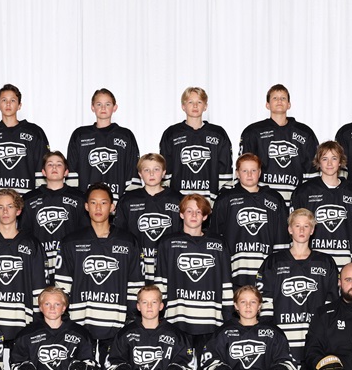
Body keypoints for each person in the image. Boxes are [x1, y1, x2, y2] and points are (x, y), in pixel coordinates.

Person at [56, 183, 145, 370]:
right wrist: (65, 322)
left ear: (112, 207)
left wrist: (130, 321)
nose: (98, 207)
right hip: (80, 324)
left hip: (115, 325)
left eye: (104, 202)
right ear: (86, 206)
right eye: (93, 202)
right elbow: (61, 287)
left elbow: (136, 286)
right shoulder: (72, 241)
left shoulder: (127, 241)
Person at [256, 208, 339, 370]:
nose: (301, 230)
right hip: (283, 346)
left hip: (314, 345)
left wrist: (326, 340)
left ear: (313, 230)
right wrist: (272, 341)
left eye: (306, 226)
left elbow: (333, 306)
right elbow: (265, 304)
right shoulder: (273, 261)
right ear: (289, 229)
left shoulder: (325, 262)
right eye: (297, 225)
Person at [153, 194, 233, 352]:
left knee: (208, 365)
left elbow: (226, 283)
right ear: (181, 214)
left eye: (199, 211)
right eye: (189, 211)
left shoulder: (218, 244)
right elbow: (160, 282)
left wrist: (228, 316)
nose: (194, 215)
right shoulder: (167, 243)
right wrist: (159, 315)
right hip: (177, 319)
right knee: (179, 365)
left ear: (205, 216)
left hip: (210, 319)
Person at [0, 188, 48, 343]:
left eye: (10, 206)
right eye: (0, 207)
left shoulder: (32, 244)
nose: (5, 211)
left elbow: (40, 288)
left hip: (22, 320)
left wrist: (38, 322)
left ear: (18, 210)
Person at [209, 153, 288, 288]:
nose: (249, 174)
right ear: (237, 173)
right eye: (244, 171)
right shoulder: (225, 199)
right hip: (234, 269)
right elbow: (215, 237)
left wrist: (279, 268)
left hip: (266, 268)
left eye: (253, 170)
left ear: (260, 172)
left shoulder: (275, 199)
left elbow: (282, 238)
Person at [291, 141, 352, 268]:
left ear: (340, 162)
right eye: (324, 159)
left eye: (334, 158)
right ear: (318, 162)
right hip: (312, 263)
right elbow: (294, 231)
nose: (329, 163)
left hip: (346, 264)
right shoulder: (303, 192)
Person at [238, 84, 319, 203]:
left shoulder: (305, 133)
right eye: (275, 98)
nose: (279, 101)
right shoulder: (253, 132)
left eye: (283, 98)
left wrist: (307, 198)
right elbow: (244, 167)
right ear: (267, 105)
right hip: (261, 199)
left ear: (289, 104)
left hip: (294, 198)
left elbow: (312, 169)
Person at [20, 151, 88, 281]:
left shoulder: (80, 198)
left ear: (66, 172)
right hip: (39, 260)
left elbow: (85, 233)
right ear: (43, 172)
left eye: (59, 164)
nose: (54, 167)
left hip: (69, 259)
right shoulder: (29, 199)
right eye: (50, 164)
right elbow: (24, 234)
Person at [114, 153, 183, 281]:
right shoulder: (128, 200)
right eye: (146, 170)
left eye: (156, 169)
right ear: (140, 174)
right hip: (136, 264)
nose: (151, 174)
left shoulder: (177, 199)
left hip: (169, 263)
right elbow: (119, 235)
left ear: (164, 173)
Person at [159, 87, 233, 202]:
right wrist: (168, 198)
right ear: (183, 106)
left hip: (209, 201)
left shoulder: (218, 134)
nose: (195, 106)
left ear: (205, 106)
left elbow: (225, 168)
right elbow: (165, 168)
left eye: (199, 102)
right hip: (179, 200)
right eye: (190, 102)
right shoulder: (172, 133)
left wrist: (221, 198)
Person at [66, 88, 140, 202]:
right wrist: (76, 200)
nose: (103, 108)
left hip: (117, 201)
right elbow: (71, 169)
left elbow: (133, 169)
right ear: (92, 107)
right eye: (99, 104)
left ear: (115, 107)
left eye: (108, 104)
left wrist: (128, 201)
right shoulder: (80, 135)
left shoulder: (125, 135)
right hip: (87, 201)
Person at [0, 84, 50, 194]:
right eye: (4, 100)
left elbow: (42, 170)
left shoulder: (35, 132)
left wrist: (38, 198)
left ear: (19, 105)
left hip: (27, 197)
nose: (8, 104)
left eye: (13, 100)